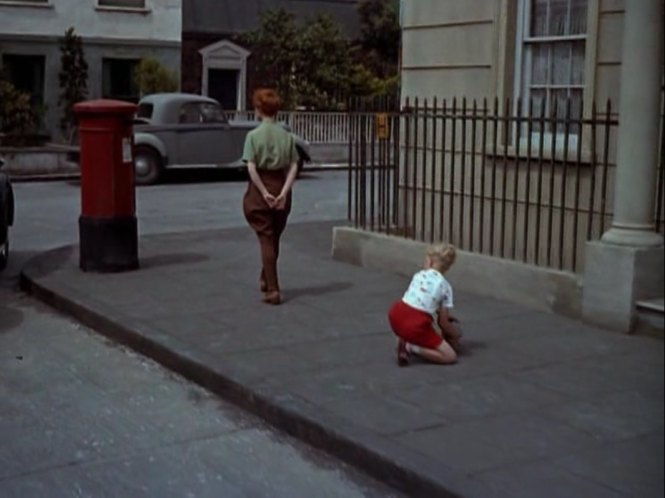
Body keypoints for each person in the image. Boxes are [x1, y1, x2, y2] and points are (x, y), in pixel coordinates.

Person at [242, 89, 299, 305]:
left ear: (258, 109)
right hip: (281, 185)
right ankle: (266, 277)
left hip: (261, 188)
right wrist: (283, 193)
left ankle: (273, 289)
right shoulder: (287, 136)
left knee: (266, 237)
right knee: (274, 236)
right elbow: (294, 166)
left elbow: (251, 167)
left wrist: (264, 193)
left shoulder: (253, 136)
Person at [388, 243, 461, 366]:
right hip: (415, 324)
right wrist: (455, 334)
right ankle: (411, 347)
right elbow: (443, 323)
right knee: (450, 356)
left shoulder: (419, 275)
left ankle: (405, 338)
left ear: (429, 261)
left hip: (395, 313)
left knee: (416, 325)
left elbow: (422, 300)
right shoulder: (446, 287)